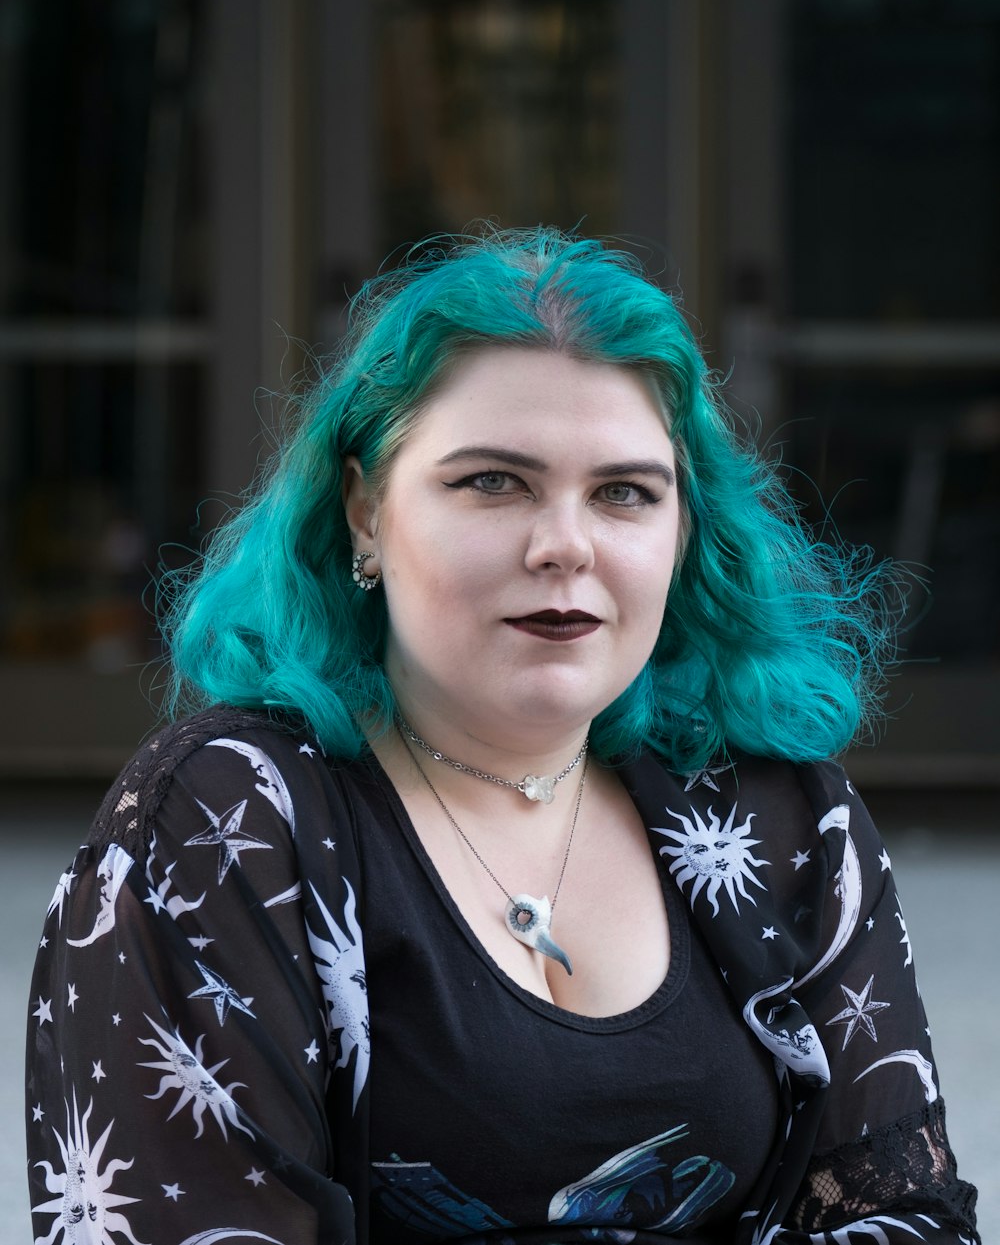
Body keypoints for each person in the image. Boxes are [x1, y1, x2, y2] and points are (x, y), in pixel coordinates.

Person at [26, 228, 978, 1245]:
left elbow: (906, 1216)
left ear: (681, 529)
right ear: (363, 511)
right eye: (492, 482)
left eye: (623, 493)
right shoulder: (229, 822)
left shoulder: (780, 816)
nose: (564, 544)